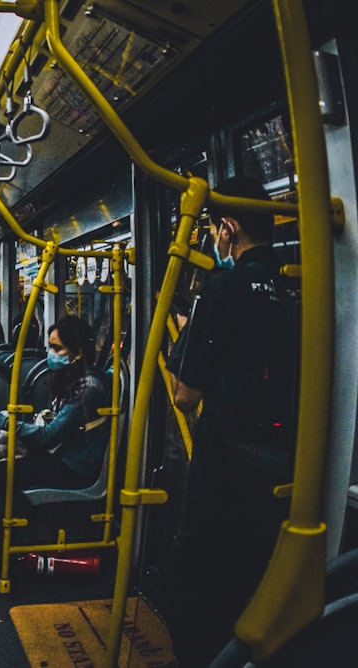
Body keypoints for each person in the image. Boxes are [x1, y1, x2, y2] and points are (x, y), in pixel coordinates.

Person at [163, 176, 298, 665]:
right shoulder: (295, 282)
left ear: (228, 228)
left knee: (189, 590)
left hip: (224, 468)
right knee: (251, 578)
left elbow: (184, 396)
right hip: (285, 465)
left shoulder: (222, 287)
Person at [0, 315, 109, 583]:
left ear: (77, 352)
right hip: (61, 455)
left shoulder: (89, 387)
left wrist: (3, 420)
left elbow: (50, 435)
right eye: (50, 347)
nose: (50, 354)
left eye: (58, 349)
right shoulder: (71, 379)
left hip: (74, 467)